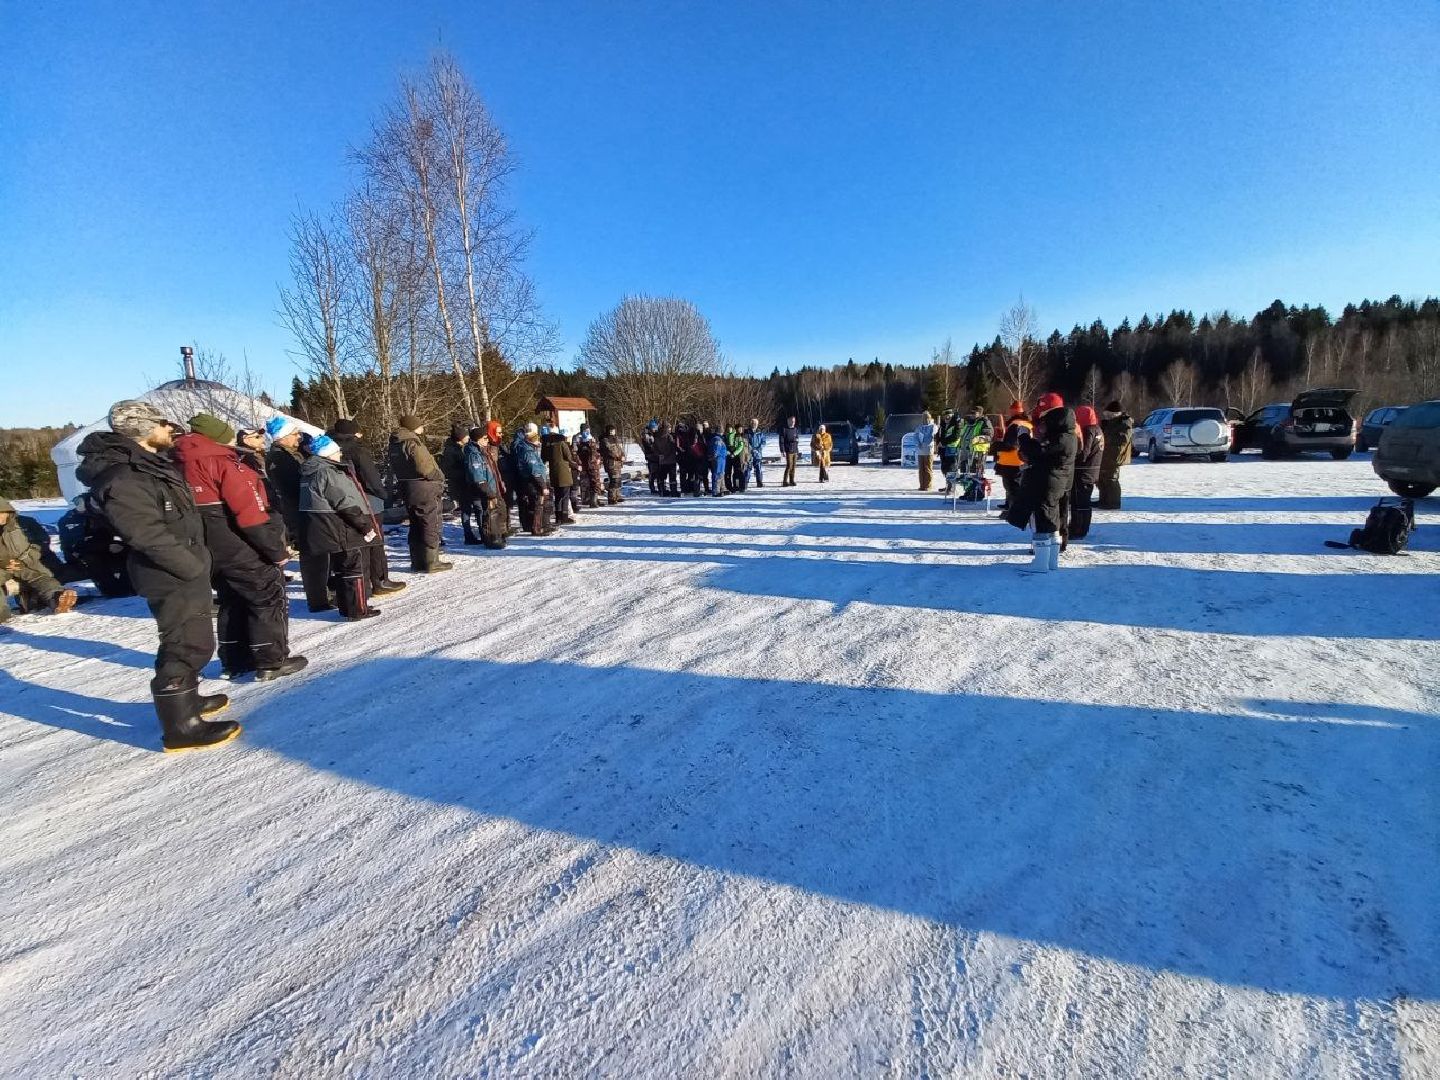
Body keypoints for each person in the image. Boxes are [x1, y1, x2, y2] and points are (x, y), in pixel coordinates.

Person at [78, 401, 239, 752]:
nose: (170, 429)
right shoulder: (123, 476)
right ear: (142, 427)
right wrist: (189, 565)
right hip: (169, 570)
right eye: (162, 423)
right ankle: (181, 727)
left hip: (183, 565)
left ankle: (188, 699)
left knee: (193, 637)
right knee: (185, 642)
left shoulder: (147, 465)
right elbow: (144, 532)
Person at [174, 414, 306, 682]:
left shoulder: (175, 464)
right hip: (237, 543)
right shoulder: (222, 463)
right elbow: (250, 514)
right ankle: (271, 660)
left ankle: (234, 660)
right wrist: (275, 550)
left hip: (203, 544)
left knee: (230, 598)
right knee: (266, 596)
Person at [300, 435, 381, 620]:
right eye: (337, 451)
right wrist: (365, 526)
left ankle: (347, 607)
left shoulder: (310, 471)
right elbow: (345, 503)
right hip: (340, 526)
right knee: (353, 568)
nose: (340, 454)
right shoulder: (329, 473)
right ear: (328, 453)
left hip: (324, 527)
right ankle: (358, 608)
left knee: (342, 568)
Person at [329, 419, 405, 595]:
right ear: (353, 433)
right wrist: (383, 494)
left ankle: (363, 585)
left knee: (359, 543)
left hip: (344, 502)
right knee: (375, 541)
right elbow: (371, 476)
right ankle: (380, 580)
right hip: (367, 499)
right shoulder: (357, 450)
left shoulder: (329, 449)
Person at [1004, 393, 1077, 574]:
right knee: (1051, 521)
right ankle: (1051, 561)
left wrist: (1024, 438)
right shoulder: (1067, 435)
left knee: (1043, 521)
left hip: (1047, 482)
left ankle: (1041, 563)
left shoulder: (1061, 438)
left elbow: (1038, 452)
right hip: (1055, 482)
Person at [389, 414, 451, 574]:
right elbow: (424, 466)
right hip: (423, 487)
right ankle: (431, 561)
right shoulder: (413, 443)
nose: (422, 427)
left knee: (415, 523)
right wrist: (438, 476)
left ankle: (417, 561)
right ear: (413, 426)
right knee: (430, 521)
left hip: (406, 486)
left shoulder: (395, 443)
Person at [0, 497, 79, 622]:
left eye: (1, 512)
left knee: (41, 577)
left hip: (28, 562)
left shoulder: (25, 523)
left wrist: (24, 559)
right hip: (3, 566)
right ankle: (2, 614)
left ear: (8, 511)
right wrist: (3, 562)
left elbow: (41, 542)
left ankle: (58, 598)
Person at [57, 494, 134, 598]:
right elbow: (77, 545)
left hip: (105, 548)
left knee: (128, 552)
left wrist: (118, 543)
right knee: (94, 560)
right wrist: (107, 546)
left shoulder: (102, 516)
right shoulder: (71, 520)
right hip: (81, 554)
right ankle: (111, 589)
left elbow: (117, 533)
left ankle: (130, 585)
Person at [1070, 406, 1104, 541]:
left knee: (1079, 502)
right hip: (1093, 470)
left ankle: (1078, 529)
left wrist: (1072, 457)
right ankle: (1082, 528)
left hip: (1083, 471)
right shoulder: (1098, 429)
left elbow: (1084, 452)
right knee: (1084, 501)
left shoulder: (1088, 430)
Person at [438, 422, 476, 543]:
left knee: (467, 508)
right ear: (460, 437)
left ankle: (469, 534)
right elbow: (448, 470)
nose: (468, 437)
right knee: (465, 509)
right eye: (466, 435)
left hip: (460, 483)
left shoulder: (456, 448)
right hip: (459, 483)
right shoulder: (452, 451)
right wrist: (465, 472)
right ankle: (468, 535)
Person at [513, 424, 552, 534]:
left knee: (534, 504)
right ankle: (537, 528)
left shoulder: (527, 449)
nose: (538, 442)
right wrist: (543, 485)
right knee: (538, 504)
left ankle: (534, 526)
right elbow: (534, 470)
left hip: (530, 481)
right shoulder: (528, 452)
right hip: (533, 482)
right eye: (536, 439)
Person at [994, 402, 1032, 514]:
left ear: (1014, 411)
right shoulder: (1027, 424)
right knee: (1015, 487)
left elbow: (1011, 444)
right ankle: (1010, 506)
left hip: (1012, 461)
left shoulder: (1016, 424)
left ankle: (1013, 511)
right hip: (1020, 460)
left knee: (1012, 488)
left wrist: (996, 446)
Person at [1097, 401, 1135, 510]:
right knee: (1103, 478)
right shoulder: (1112, 422)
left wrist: (1105, 439)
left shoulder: (1124, 422)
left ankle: (1113, 502)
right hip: (1108, 453)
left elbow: (1123, 438)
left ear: (1115, 413)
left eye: (1109, 414)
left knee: (1111, 478)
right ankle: (1104, 500)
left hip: (1115, 454)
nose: (1107, 416)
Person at [542, 425, 578, 523]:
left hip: (553, 472)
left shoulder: (546, 444)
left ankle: (558, 517)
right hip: (563, 472)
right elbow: (568, 457)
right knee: (565, 495)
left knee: (557, 496)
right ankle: (564, 516)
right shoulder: (561, 443)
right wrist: (575, 465)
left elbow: (544, 458)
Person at [574, 424, 603, 509]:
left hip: (593, 464)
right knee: (586, 483)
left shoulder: (591, 439)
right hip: (584, 465)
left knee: (595, 482)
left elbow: (596, 451)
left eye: (588, 430)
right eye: (586, 430)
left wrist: (599, 458)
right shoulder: (577, 439)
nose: (587, 432)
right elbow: (576, 452)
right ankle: (588, 500)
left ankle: (594, 500)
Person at [601, 425, 627, 504]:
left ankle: (617, 495)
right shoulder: (605, 440)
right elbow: (609, 450)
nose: (613, 432)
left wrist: (623, 455)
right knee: (614, 480)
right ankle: (611, 497)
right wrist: (618, 457)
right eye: (612, 430)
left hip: (618, 463)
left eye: (614, 430)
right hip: (611, 463)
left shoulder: (615, 439)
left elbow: (620, 449)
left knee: (618, 480)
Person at [913, 411, 937, 491]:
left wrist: (927, 440)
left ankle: (928, 485)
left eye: (927, 418)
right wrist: (918, 443)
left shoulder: (933, 426)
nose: (925, 420)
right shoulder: (919, 427)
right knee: (921, 469)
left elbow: (933, 435)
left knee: (928, 468)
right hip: (920, 451)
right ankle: (922, 485)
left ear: (930, 418)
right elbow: (915, 436)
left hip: (928, 450)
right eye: (923, 418)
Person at [655, 421, 679, 496]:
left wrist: (660, 455)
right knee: (672, 477)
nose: (670, 429)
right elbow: (672, 447)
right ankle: (673, 492)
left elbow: (654, 448)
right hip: (671, 460)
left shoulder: (657, 437)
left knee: (662, 477)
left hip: (662, 461)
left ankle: (662, 491)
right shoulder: (669, 436)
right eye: (669, 427)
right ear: (667, 428)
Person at [706, 425, 728, 497]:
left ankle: (722, 488)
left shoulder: (719, 438)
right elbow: (716, 450)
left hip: (721, 458)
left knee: (721, 474)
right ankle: (716, 491)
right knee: (717, 474)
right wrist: (714, 456)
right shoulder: (717, 439)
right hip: (718, 459)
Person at [779, 417, 800, 487]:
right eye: (791, 421)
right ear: (788, 421)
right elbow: (781, 441)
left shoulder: (795, 429)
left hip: (795, 450)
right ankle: (785, 481)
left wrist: (797, 449)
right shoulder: (784, 430)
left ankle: (792, 480)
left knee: (793, 466)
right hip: (788, 450)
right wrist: (782, 450)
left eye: (794, 421)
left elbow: (797, 440)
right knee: (789, 466)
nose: (793, 422)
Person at [640, 420, 660, 494]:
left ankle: (660, 487)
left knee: (658, 473)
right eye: (654, 428)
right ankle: (652, 488)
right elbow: (648, 445)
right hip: (651, 456)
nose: (655, 429)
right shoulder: (646, 435)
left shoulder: (655, 434)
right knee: (653, 473)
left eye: (656, 428)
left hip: (656, 456)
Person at [746, 420, 766, 488]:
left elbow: (763, 442)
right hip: (749, 453)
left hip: (758, 454)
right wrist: (751, 449)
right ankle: (746, 482)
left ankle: (759, 482)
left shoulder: (760, 433)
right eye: (752, 423)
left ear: (757, 424)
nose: (754, 424)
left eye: (755, 423)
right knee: (748, 468)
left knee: (758, 468)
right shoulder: (747, 432)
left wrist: (758, 449)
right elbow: (746, 442)